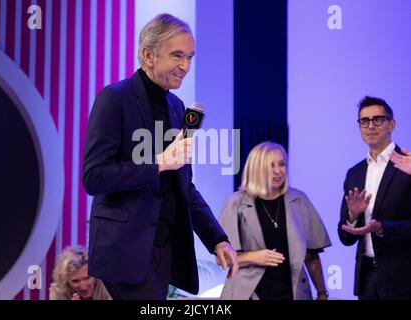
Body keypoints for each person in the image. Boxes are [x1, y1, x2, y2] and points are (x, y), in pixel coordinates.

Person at [82, 13, 238, 300]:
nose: (185, 66)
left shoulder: (178, 108)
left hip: (164, 250)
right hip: (125, 249)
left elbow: (184, 187)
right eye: (177, 56)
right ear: (147, 55)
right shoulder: (114, 99)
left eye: (190, 57)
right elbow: (94, 177)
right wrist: (159, 162)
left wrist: (218, 239)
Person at [219, 142, 331, 300]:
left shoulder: (299, 200)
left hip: (293, 294)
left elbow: (311, 256)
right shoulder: (235, 203)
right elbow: (221, 258)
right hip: (249, 294)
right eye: (271, 166)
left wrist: (322, 293)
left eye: (282, 164)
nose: (278, 171)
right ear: (256, 169)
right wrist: (254, 257)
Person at [338, 96, 411, 299]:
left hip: (404, 280)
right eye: (364, 121)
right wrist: (352, 215)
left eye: (378, 119)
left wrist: (381, 228)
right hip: (367, 280)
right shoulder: (354, 173)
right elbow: (345, 237)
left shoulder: (408, 165)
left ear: (392, 124)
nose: (371, 126)